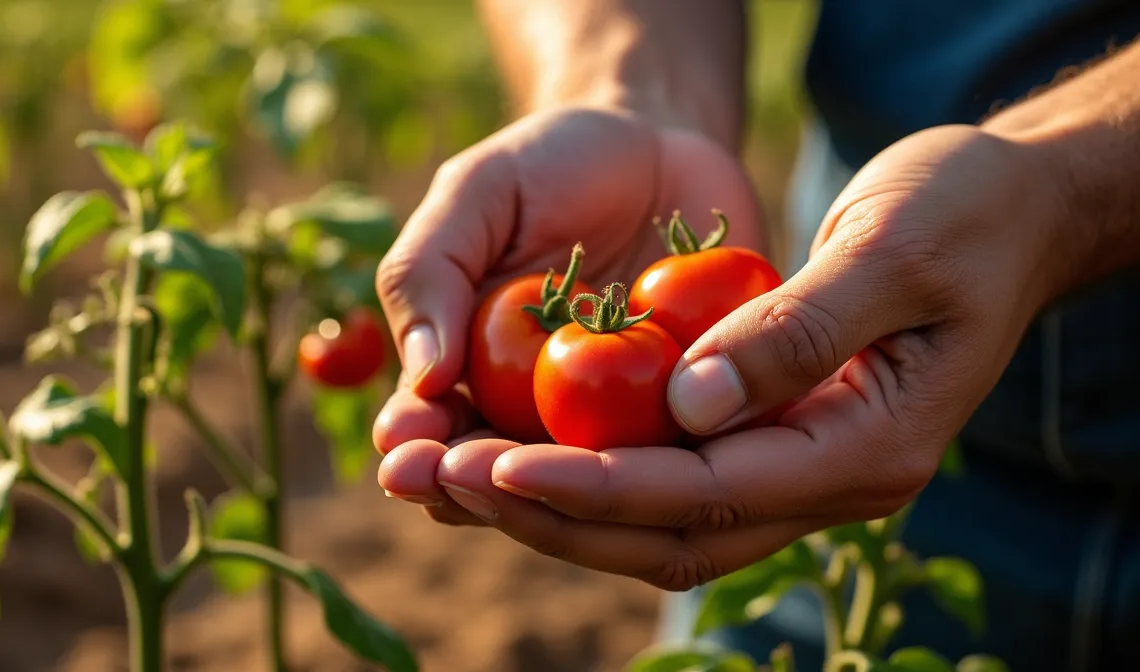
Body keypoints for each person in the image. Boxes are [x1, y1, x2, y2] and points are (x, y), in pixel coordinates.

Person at [370, 2, 1140, 670]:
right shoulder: (666, 316)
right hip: (849, 391)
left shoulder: (604, 328)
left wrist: (1065, 177)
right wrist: (630, 94)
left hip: (877, 314)